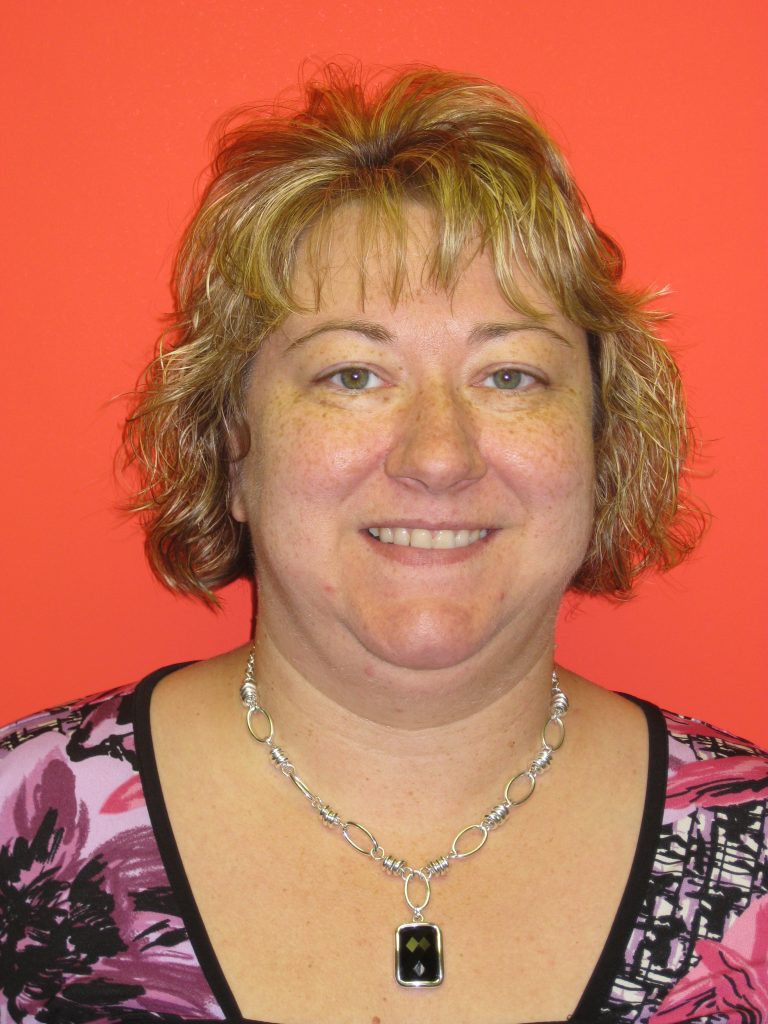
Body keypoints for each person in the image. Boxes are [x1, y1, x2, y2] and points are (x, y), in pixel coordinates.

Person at [1, 64, 765, 1024]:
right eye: (353, 375)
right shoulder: (15, 832)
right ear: (232, 448)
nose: (438, 456)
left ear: (602, 446)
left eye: (512, 376)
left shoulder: (755, 851)